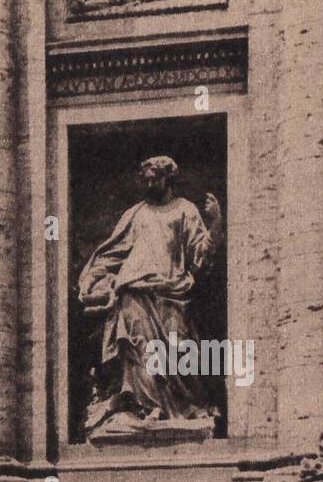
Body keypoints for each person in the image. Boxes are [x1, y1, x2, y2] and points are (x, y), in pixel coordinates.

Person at [78, 155, 223, 437]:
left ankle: (180, 408)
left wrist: (216, 223)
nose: (148, 183)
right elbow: (113, 252)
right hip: (133, 291)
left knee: (177, 349)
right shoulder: (136, 214)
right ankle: (143, 408)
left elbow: (201, 257)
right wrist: (92, 278)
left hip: (172, 291)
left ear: (168, 178)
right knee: (137, 349)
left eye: (153, 178)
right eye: (144, 179)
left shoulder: (185, 210)